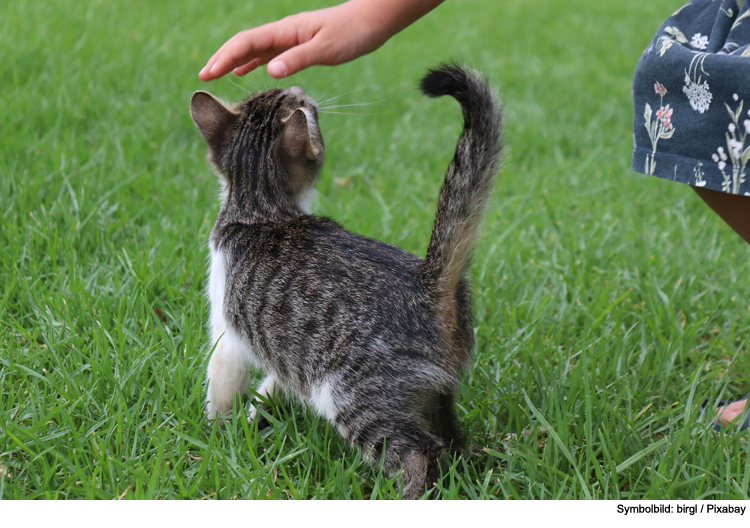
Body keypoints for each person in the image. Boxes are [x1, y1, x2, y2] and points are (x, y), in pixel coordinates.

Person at [199, 0, 748, 430]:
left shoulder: (240, 249)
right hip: (435, 319)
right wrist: (368, 14)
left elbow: (236, 350)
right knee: (686, 101)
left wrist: (222, 423)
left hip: (386, 346)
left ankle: (417, 465)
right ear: (305, 152)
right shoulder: (302, 231)